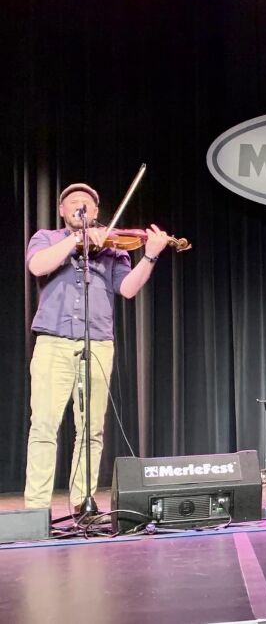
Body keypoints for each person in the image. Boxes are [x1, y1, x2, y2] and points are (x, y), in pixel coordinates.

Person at [24, 183, 170, 511]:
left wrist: (150, 255)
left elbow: (129, 289)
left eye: (87, 203)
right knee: (44, 426)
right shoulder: (46, 238)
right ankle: (35, 508)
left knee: (92, 430)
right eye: (73, 203)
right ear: (63, 211)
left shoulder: (114, 248)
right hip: (53, 341)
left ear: (97, 212)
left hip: (99, 343)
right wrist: (76, 240)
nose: (80, 206)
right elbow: (38, 266)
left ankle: (82, 502)